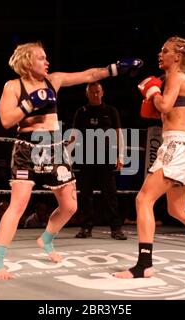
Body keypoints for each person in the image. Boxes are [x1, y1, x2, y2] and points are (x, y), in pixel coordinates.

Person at [0, 41, 143, 280]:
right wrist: (29, 103)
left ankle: (46, 239)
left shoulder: (54, 80)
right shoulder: (12, 86)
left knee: (70, 206)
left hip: (54, 147)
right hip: (27, 149)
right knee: (18, 205)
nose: (47, 61)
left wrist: (114, 69)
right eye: (41, 57)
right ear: (28, 61)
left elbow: (88, 75)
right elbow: (6, 120)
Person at [114, 36, 185, 279]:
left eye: (164, 50)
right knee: (176, 209)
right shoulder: (176, 80)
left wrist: (152, 92)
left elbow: (163, 106)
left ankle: (144, 264)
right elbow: (165, 113)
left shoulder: (176, 76)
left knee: (143, 200)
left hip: (178, 146)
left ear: (177, 56)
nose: (160, 54)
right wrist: (153, 98)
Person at [70, 82, 127, 240]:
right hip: (86, 157)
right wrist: (67, 157)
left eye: (98, 92)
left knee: (110, 194)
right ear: (87, 94)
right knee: (85, 194)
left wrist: (120, 156)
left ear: (102, 93)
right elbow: (74, 135)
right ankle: (86, 228)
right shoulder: (81, 112)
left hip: (106, 158)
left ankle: (116, 229)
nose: (95, 95)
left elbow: (118, 134)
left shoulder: (110, 111)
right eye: (92, 92)